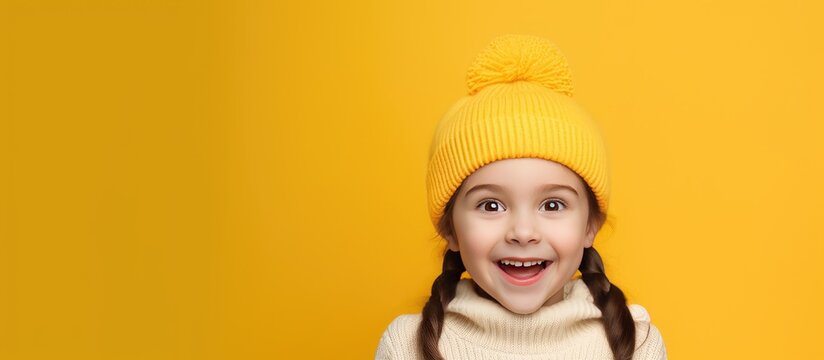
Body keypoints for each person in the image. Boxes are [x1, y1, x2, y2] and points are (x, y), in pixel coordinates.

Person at [375, 34, 667, 360]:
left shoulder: (637, 345)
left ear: (590, 225)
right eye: (491, 205)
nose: (523, 232)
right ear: (450, 228)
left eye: (552, 205)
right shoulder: (405, 346)